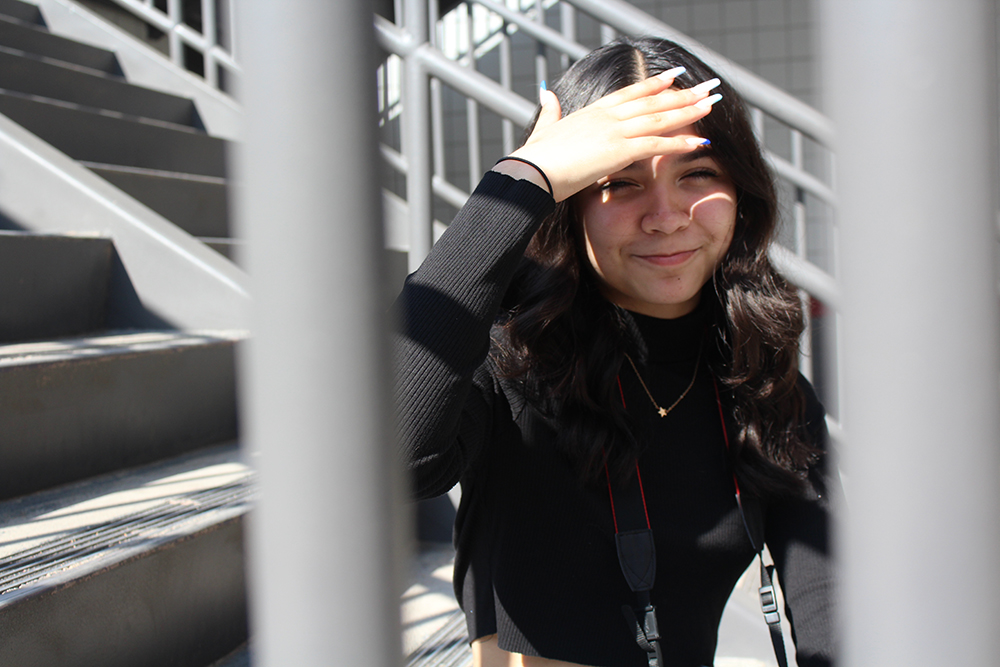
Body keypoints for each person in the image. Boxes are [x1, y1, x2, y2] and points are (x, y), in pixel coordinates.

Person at [393, 36, 836, 667]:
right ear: (570, 207)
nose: (665, 216)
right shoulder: (510, 353)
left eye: (698, 173)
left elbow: (833, 597)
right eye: (619, 183)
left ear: (742, 194)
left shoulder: (758, 377)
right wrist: (523, 182)